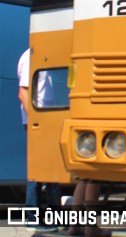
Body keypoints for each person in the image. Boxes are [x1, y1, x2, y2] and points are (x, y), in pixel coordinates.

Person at [17, 47, 62, 227]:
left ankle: (53, 215)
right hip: (38, 121)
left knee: (51, 170)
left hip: (45, 120)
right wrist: (37, 120)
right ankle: (32, 217)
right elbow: (23, 92)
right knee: (39, 171)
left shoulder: (41, 54)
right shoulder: (30, 56)